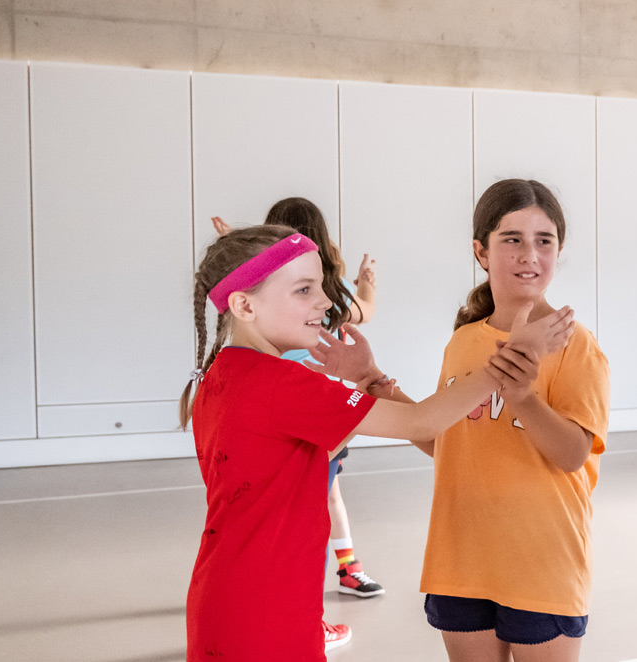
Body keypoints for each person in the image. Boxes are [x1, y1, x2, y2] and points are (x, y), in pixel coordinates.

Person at [180, 224, 573, 660]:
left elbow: (294, 459)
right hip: (266, 612)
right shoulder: (284, 384)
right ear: (243, 305)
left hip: (223, 599)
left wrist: (368, 381)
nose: (327, 302)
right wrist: (511, 360)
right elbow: (422, 421)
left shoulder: (223, 375)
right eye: (304, 289)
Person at [375, 180, 609, 662]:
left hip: (541, 564)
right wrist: (379, 385)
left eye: (544, 241)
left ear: (558, 252)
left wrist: (523, 397)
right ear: (480, 251)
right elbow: (448, 440)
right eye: (512, 240)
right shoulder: (464, 341)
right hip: (460, 559)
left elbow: (572, 455)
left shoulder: (575, 345)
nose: (530, 254)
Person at [216, 199, 384, 607]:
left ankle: (320, 596)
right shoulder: (330, 291)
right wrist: (367, 284)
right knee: (323, 498)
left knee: (311, 506)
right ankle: (346, 570)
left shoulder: (310, 292)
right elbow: (365, 309)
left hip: (316, 416)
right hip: (315, 415)